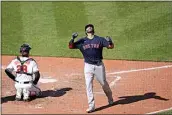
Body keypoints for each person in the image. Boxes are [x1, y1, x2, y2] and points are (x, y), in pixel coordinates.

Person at [69, 24, 114, 113]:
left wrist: (110, 42)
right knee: (88, 85)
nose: (89, 27)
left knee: (103, 83)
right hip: (88, 66)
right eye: (87, 27)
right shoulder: (82, 41)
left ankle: (110, 98)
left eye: (90, 27)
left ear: (93, 29)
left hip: (99, 65)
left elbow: (110, 47)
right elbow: (70, 46)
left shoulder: (99, 39)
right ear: (86, 31)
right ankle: (91, 106)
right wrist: (72, 39)